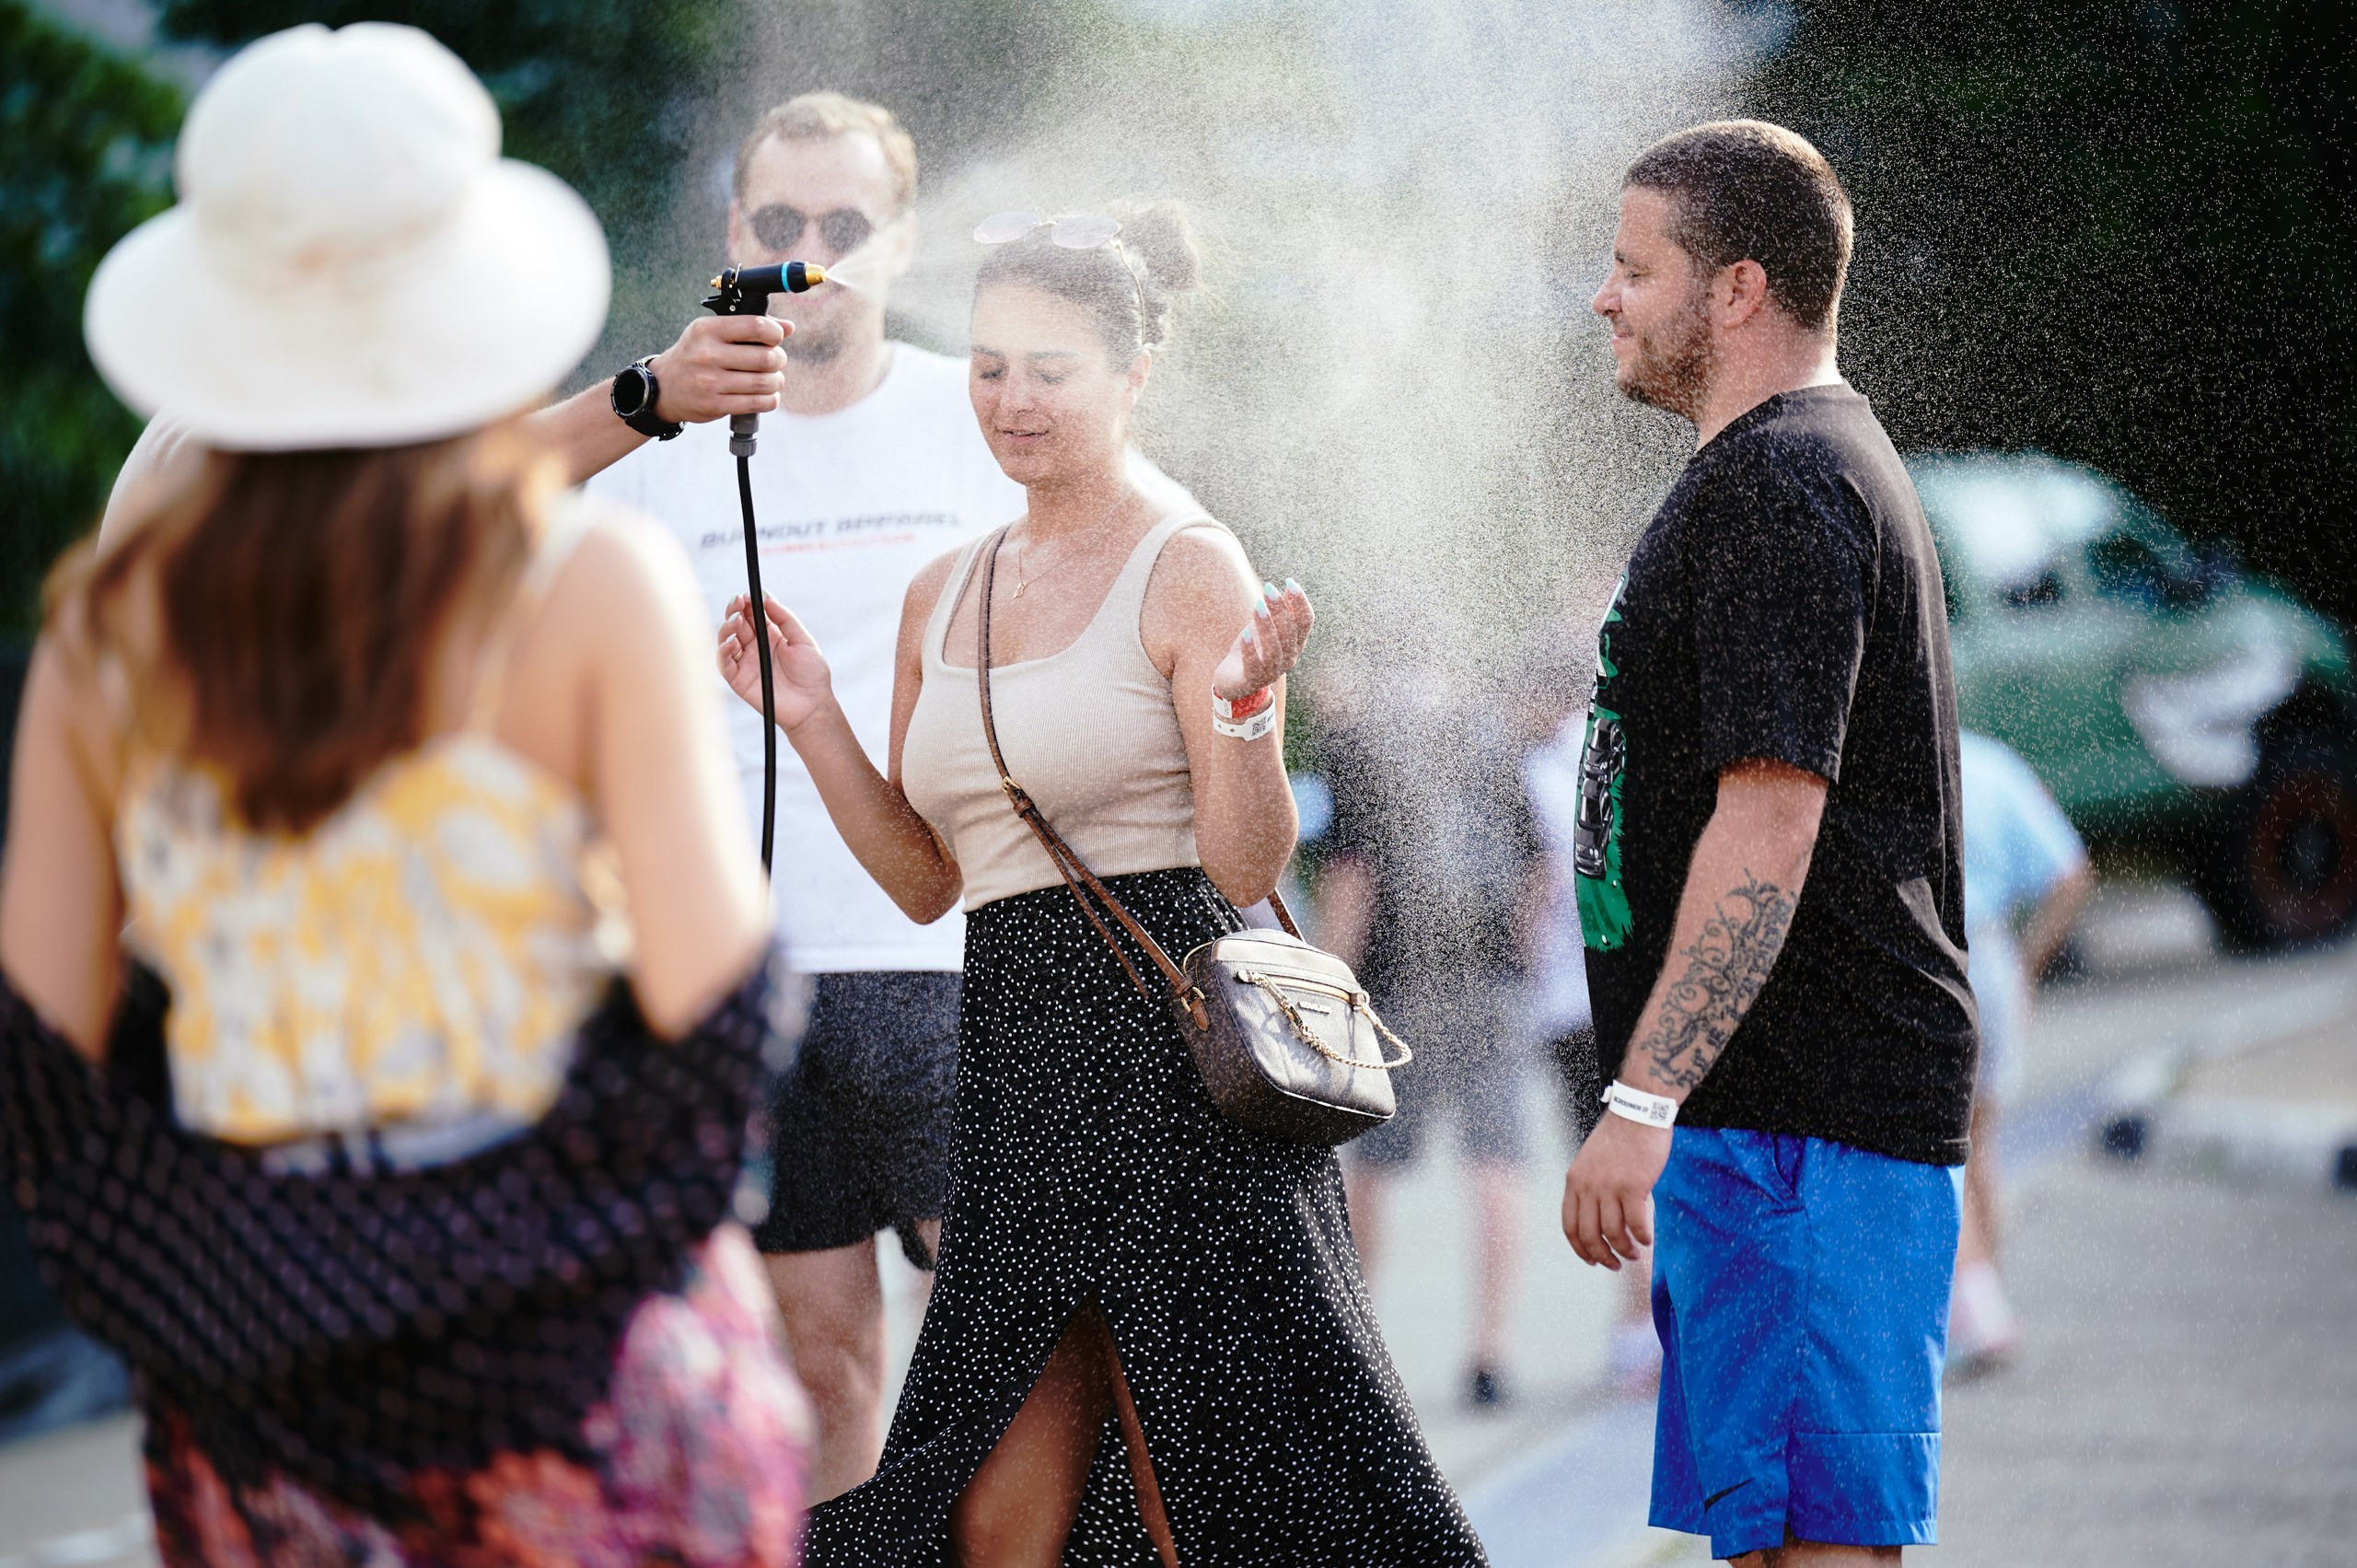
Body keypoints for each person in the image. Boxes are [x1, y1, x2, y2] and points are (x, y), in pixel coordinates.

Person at [0, 24, 809, 1563]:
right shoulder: (589, 582)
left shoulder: (102, 633)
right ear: (471, 301)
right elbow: (719, 999)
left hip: (261, 1393)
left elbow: (48, 1067)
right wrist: (564, 1251)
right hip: (583, 1376)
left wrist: (222, 1288)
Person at [720, 204, 1487, 1563]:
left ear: (1133, 376)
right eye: (989, 361)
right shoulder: (940, 593)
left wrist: (1251, 711)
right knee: (993, 1489)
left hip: (1170, 1052)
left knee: (1202, 1464)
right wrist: (814, 718)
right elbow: (927, 879)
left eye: (1050, 369)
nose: (1010, 398)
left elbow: (1246, 865)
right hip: (1017, 1062)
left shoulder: (1187, 561)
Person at [1562, 121, 1978, 1567]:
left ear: (1736, 288)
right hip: (1771, 1129)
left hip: (1810, 1121)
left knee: (1815, 1552)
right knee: (1773, 1544)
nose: (1604, 296)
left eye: (1633, 267)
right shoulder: (1781, 470)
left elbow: (1772, 813)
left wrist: (1644, 1096)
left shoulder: (1782, 483)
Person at [1320, 675, 1548, 1410]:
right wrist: (1521, 952)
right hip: (1493, 981)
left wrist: (1326, 987)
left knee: (1373, 1165)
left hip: (1399, 987)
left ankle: (1352, 1347)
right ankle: (1489, 1355)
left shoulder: (1359, 743)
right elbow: (1536, 864)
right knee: (1496, 1160)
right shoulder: (1486, 730)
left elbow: (1353, 877)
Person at [1521, 672, 1659, 1397]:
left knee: (1607, 1157)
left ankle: (1644, 1324)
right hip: (1628, 990)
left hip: (1572, 997)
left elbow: (1553, 876)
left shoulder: (1544, 768)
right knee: (1641, 1152)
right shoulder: (1612, 747)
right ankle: (1645, 1316)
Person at [1951, 730, 2090, 1374]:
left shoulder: (1892, 763)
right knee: (1982, 1137)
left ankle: (1979, 1305)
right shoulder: (1991, 763)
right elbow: (2070, 874)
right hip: (1995, 954)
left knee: (1938, 1144)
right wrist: (2028, 965)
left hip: (1933, 960)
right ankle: (1987, 1291)